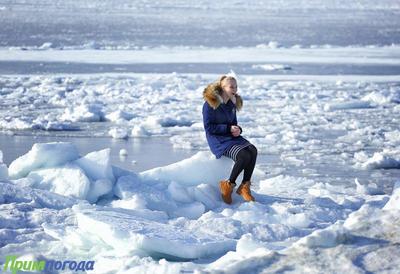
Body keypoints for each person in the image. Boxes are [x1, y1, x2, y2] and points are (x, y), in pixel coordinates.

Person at [202, 75, 257, 204]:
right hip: (218, 140)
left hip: (231, 137)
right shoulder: (210, 104)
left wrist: (238, 129)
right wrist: (228, 129)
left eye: (236, 86)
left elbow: (233, 123)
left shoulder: (232, 103)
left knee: (253, 150)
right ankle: (228, 185)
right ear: (222, 87)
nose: (235, 89)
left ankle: (244, 186)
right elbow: (209, 128)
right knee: (243, 155)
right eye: (231, 86)